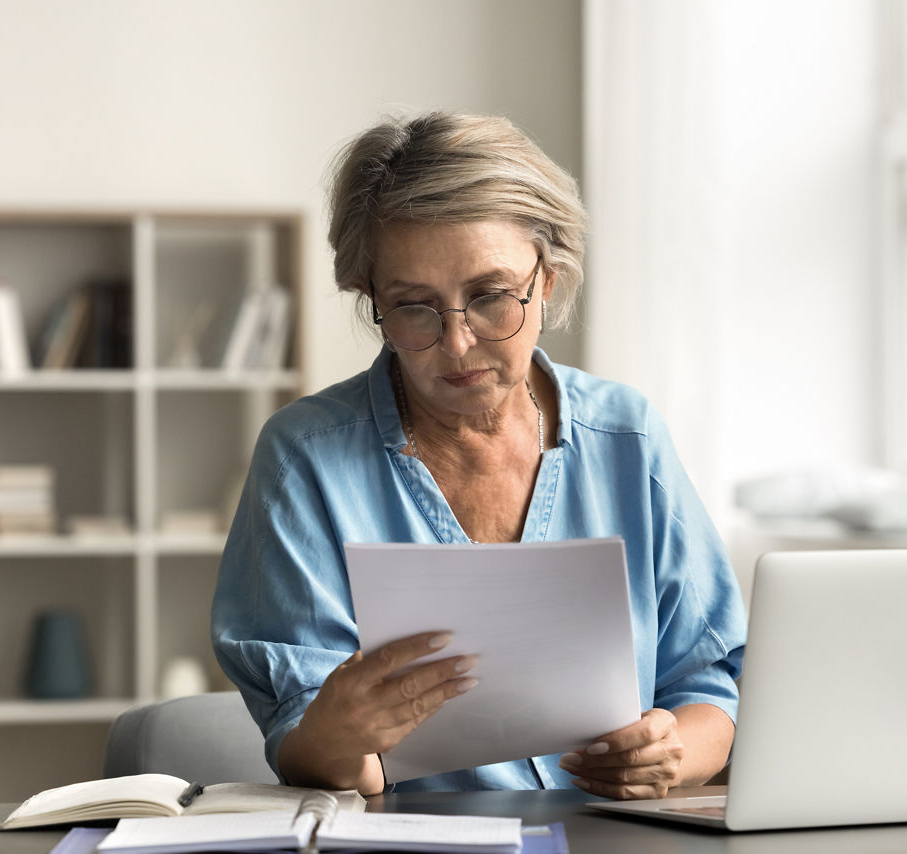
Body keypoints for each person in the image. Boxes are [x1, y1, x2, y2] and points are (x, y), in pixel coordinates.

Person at [211, 111, 745, 800]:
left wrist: (672, 750)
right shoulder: (305, 460)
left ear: (547, 278)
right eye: (414, 307)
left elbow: (710, 684)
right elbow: (319, 755)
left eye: (491, 297)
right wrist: (339, 732)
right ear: (371, 296)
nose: (458, 345)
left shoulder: (627, 436)